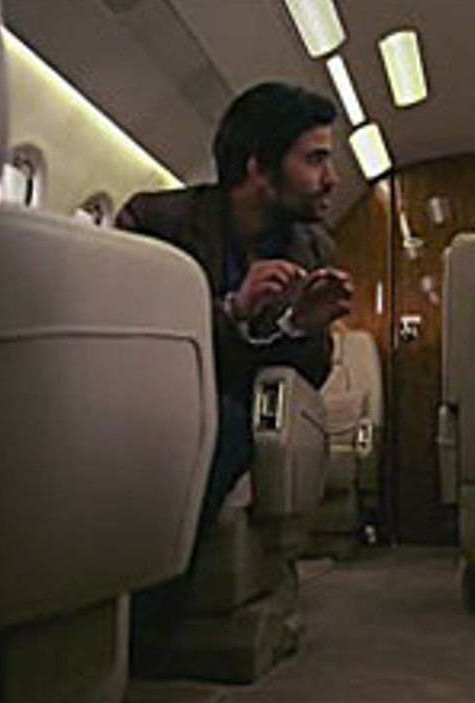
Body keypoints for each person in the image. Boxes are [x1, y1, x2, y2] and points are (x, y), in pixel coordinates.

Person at [118, 81, 353, 555]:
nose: (331, 179)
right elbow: (133, 333)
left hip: (237, 411)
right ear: (258, 168)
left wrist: (300, 326)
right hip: (152, 395)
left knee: (226, 424)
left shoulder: (314, 249)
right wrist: (234, 310)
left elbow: (306, 380)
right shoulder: (155, 222)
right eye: (314, 160)